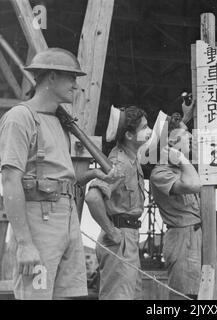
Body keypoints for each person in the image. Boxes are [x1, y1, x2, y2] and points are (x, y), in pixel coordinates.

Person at [0, 48, 116, 300]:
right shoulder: (20, 118)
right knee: (36, 296)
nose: (76, 85)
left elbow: (62, 178)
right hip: (39, 223)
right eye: (71, 78)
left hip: (67, 216)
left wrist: (94, 174)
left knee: (67, 295)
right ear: (51, 77)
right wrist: (25, 243)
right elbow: (9, 181)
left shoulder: (58, 121)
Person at [85, 105, 152, 300]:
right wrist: (112, 231)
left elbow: (159, 140)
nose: (148, 131)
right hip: (119, 236)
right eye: (144, 127)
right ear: (130, 136)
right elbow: (93, 198)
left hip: (127, 237)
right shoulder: (120, 163)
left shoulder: (131, 157)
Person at [150, 116, 202, 300]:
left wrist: (186, 115)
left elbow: (176, 130)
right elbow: (193, 185)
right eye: (186, 132)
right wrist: (180, 156)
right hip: (182, 239)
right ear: (171, 141)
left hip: (192, 236)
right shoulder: (161, 172)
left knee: (196, 293)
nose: (190, 135)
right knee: (184, 296)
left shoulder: (180, 168)